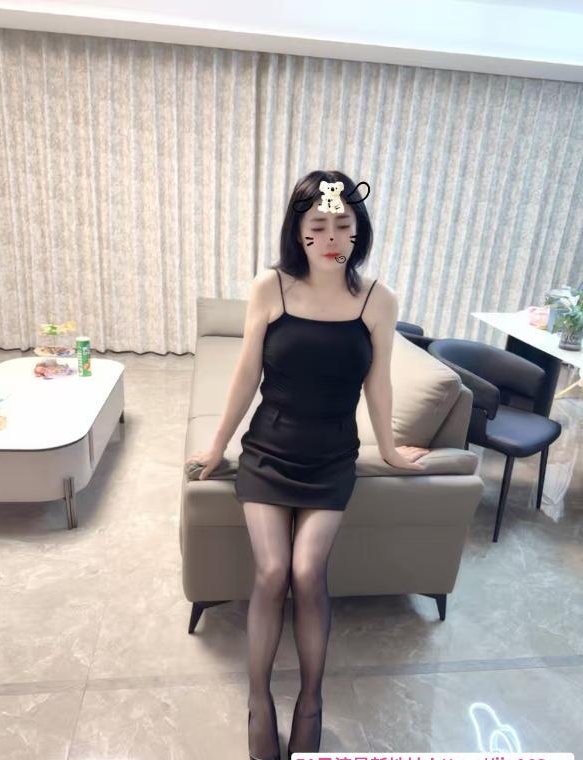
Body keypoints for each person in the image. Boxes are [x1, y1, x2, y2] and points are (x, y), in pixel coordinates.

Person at [185, 170, 430, 760]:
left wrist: (390, 449)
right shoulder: (271, 286)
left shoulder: (377, 299)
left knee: (306, 570)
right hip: (268, 451)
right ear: (298, 232)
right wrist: (218, 445)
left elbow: (378, 382)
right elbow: (247, 373)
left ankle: (311, 701)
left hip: (331, 457)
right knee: (271, 572)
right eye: (318, 225)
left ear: (358, 231)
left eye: (343, 225)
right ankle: (258, 700)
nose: (331, 237)